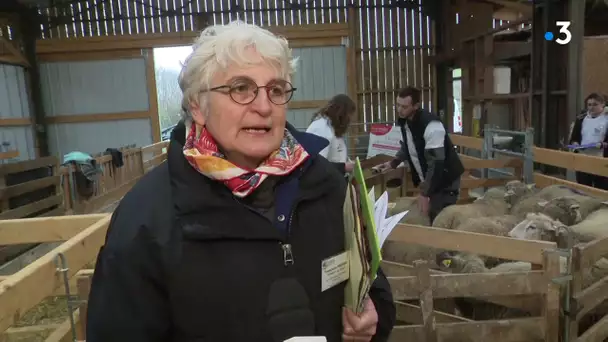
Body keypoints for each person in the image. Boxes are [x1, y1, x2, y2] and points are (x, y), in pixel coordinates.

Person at [85, 20, 395, 342]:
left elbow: (374, 286)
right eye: (240, 88)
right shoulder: (148, 218)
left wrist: (373, 318)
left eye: (275, 90)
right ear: (198, 106)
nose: (263, 107)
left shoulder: (329, 187)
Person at [374, 86, 464, 223]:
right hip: (431, 180)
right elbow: (409, 146)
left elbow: (437, 162)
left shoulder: (431, 126)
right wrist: (394, 163)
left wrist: (424, 193)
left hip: (445, 181)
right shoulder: (406, 122)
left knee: (439, 218)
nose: (399, 110)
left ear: (416, 106)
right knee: (427, 214)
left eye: (404, 107)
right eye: (397, 105)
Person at [306, 94, 355, 175]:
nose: (350, 119)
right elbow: (316, 165)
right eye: (349, 114)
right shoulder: (321, 128)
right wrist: (344, 167)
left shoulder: (332, 126)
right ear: (341, 113)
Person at [569, 93, 608, 189]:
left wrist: (603, 144)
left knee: (602, 189)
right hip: (583, 158)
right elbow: (574, 138)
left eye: (595, 104)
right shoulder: (581, 119)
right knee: (583, 188)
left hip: (601, 159)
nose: (591, 107)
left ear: (603, 104)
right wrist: (575, 144)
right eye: (589, 105)